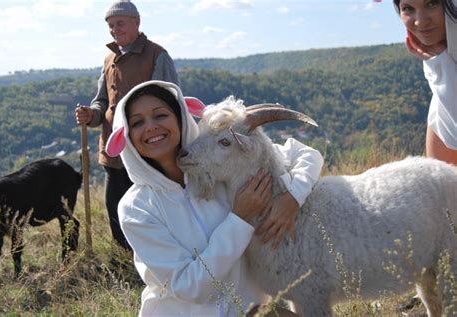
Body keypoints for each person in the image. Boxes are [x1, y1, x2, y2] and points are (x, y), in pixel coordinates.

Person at [108, 80, 324, 316]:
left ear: (180, 116)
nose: (150, 127)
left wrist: (293, 197)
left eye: (160, 115)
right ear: (126, 135)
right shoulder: (136, 208)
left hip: (251, 310)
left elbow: (304, 153)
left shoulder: (220, 163)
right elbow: (190, 288)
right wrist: (239, 219)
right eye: (137, 122)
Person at [74, 0, 179, 256]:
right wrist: (91, 114)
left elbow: (171, 101)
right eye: (110, 25)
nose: (114, 29)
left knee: (150, 208)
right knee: (115, 208)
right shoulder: (109, 58)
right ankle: (123, 259)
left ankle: (157, 258)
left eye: (119, 23)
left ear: (136, 22)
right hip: (113, 149)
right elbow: (102, 103)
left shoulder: (156, 55)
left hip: (148, 148)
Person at [393, 0, 457, 165]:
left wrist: (443, 66)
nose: (420, 21)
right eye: (408, 8)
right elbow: (444, 175)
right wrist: (441, 63)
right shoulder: (442, 66)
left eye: (432, 3)